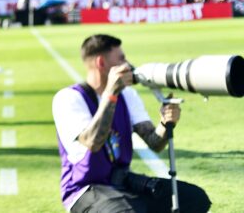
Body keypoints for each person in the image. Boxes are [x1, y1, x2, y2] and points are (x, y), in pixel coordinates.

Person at [52, 34, 211, 212]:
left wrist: (165, 124)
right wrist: (111, 94)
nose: (127, 64)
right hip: (84, 190)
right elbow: (93, 142)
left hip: (123, 180)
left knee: (195, 199)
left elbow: (154, 142)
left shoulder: (127, 95)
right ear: (101, 63)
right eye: (121, 59)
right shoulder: (69, 98)